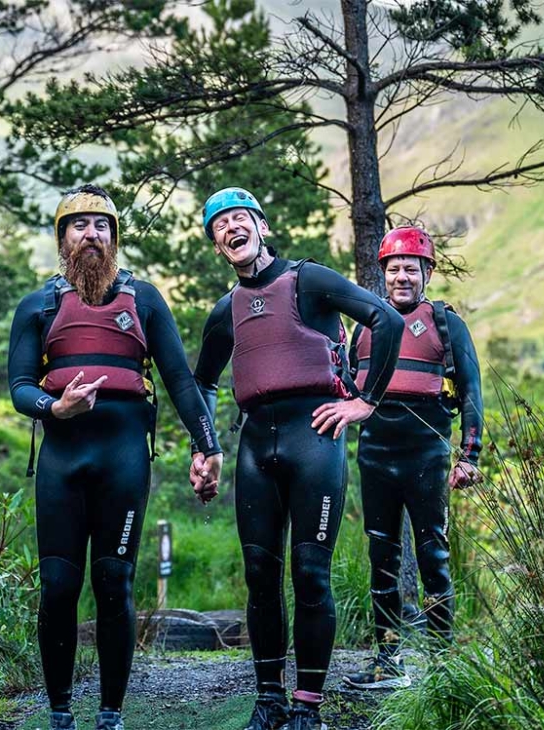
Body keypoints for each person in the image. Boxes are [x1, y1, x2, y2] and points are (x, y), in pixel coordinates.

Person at [8, 185, 223, 730]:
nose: (90, 235)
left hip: (124, 458)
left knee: (114, 582)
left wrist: (208, 446)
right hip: (62, 459)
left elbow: (178, 378)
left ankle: (110, 713)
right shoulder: (38, 305)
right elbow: (17, 387)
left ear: (114, 238)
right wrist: (55, 407)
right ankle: (59, 712)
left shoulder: (144, 299)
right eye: (78, 225)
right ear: (62, 239)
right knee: (58, 588)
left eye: (101, 226)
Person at [191, 187, 403, 730]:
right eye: (219, 226)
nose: (230, 229)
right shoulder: (225, 312)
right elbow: (201, 383)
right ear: (218, 245)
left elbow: (388, 321)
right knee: (260, 574)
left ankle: (307, 707)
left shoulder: (309, 279)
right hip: (256, 447)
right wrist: (205, 447)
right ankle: (269, 702)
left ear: (262, 226)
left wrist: (364, 402)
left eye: (239, 219)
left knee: (310, 574)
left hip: (316, 438)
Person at [342, 225, 483, 690]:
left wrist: (470, 455)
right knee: (380, 555)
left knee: (433, 556)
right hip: (375, 455)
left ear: (426, 273)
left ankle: (443, 666)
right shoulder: (365, 324)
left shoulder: (445, 322)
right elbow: (342, 386)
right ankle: (387, 660)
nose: (402, 277)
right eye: (394, 268)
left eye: (411, 268)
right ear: (383, 274)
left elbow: (471, 391)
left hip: (427, 457)